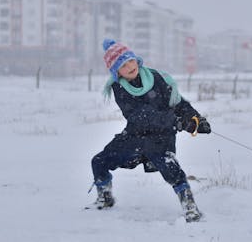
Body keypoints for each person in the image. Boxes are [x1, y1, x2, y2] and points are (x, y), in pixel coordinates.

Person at [90, 39, 211, 222]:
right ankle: (105, 198)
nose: (129, 66)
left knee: (171, 169)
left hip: (161, 138)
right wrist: (177, 123)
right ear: (116, 72)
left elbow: (177, 103)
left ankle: (189, 206)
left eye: (130, 60)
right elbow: (140, 116)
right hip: (134, 136)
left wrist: (194, 119)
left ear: (136, 59)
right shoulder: (119, 87)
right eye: (122, 65)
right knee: (99, 161)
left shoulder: (157, 78)